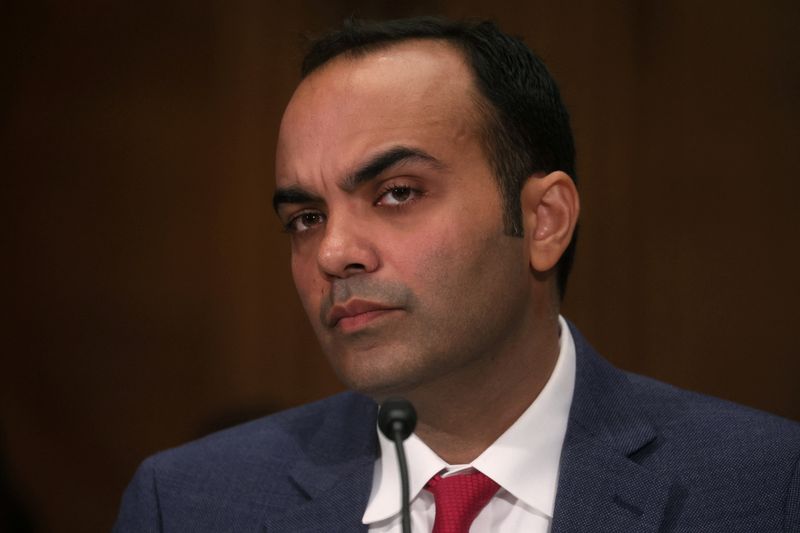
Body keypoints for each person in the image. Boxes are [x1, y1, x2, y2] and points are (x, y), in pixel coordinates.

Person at [114, 16, 800, 532]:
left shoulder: (766, 488)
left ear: (543, 221)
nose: (333, 253)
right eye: (305, 218)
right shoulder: (187, 504)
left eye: (397, 193)